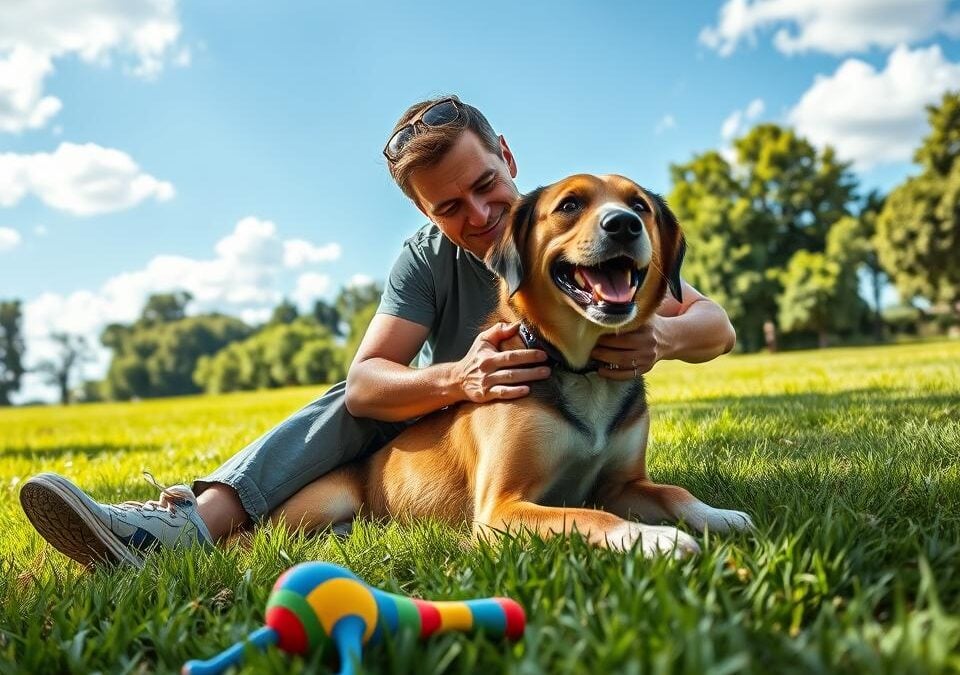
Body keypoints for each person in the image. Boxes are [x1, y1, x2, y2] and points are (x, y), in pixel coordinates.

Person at [19, 95, 736, 567]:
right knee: (352, 396)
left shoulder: (567, 219)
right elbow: (367, 385)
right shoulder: (426, 259)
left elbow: (712, 322)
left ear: (508, 157)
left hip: (556, 403)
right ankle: (194, 521)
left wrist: (659, 339)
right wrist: (458, 377)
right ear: (427, 216)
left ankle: (192, 522)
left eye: (487, 184)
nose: (480, 214)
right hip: (442, 426)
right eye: (450, 206)